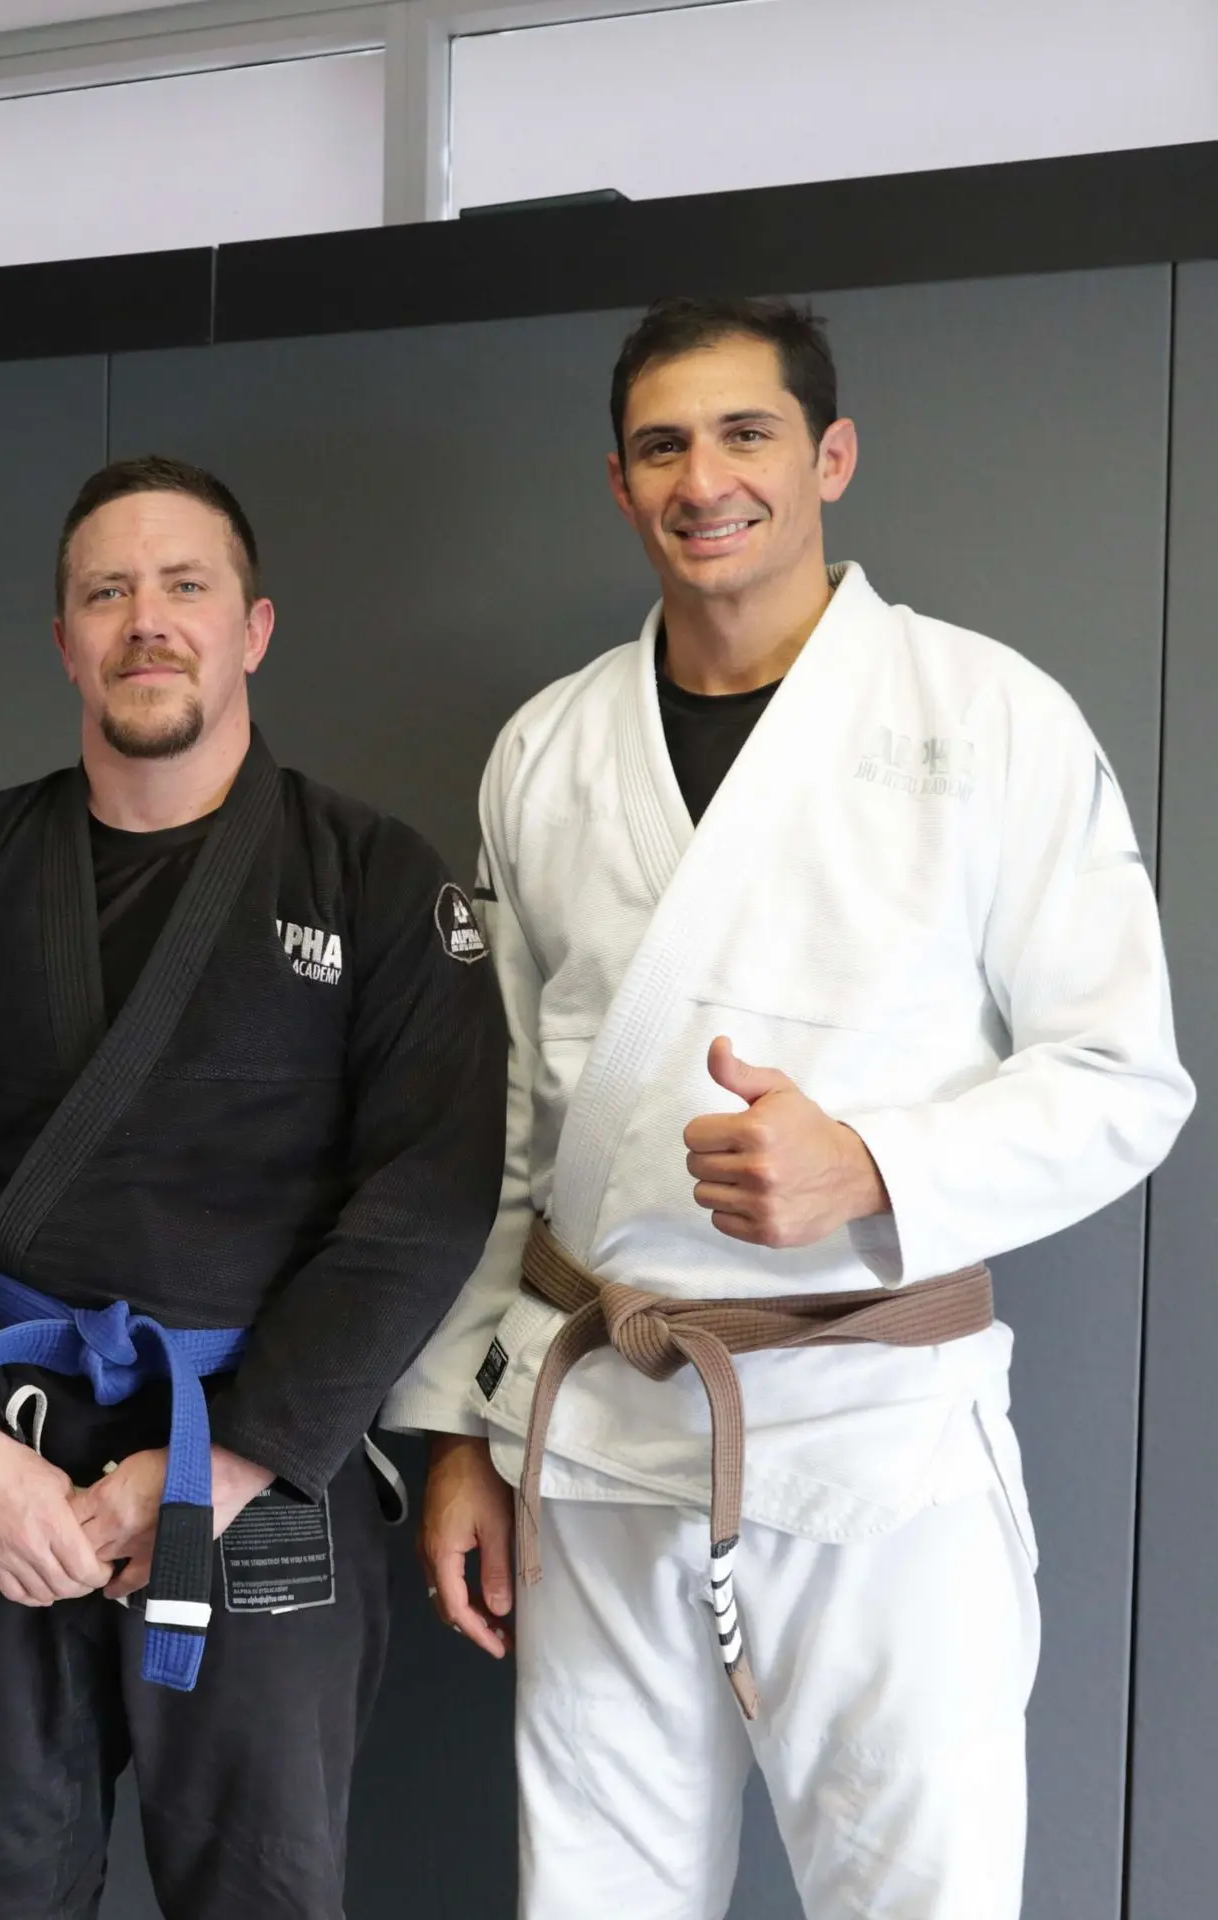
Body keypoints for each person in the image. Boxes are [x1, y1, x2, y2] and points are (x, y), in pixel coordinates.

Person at [387, 297, 1194, 1920]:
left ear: (829, 456)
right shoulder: (546, 750)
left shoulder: (991, 720)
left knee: (920, 1896)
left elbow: (1125, 1076)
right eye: (664, 446)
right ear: (618, 483)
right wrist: (457, 1426)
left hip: (877, 1437)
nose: (707, 480)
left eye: (747, 433)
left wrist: (874, 1164)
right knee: (594, 1895)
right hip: (597, 1434)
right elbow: (500, 1126)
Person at [0, 454, 507, 1919]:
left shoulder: (376, 879)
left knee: (262, 1888)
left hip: (261, 1464)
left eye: (185, 586)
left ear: (252, 627)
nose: (148, 620)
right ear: (63, 639)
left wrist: (232, 1459)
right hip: (1, 1459)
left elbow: (427, 1197)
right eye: (107, 593)